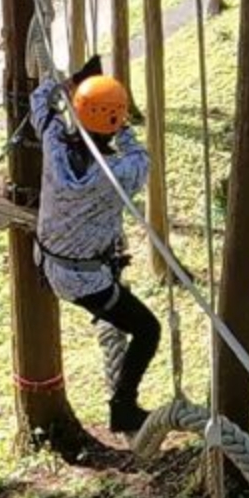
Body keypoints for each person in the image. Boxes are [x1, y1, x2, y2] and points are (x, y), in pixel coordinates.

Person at [30, 57, 161, 433]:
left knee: (125, 310)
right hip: (86, 281)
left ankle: (123, 404)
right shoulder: (120, 173)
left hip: (48, 262)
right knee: (148, 330)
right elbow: (141, 157)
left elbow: (40, 101)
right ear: (115, 122)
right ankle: (123, 407)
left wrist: (73, 83)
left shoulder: (54, 143)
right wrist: (123, 125)